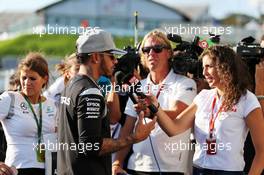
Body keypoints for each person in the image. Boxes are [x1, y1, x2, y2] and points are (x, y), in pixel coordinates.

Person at [147, 45, 264, 175]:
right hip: (199, 170)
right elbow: (173, 129)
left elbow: (262, 152)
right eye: (203, 67)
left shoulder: (247, 99)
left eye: (209, 66)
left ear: (224, 67)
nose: (204, 73)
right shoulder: (203, 96)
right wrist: (155, 107)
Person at [57, 28, 156, 175]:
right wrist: (134, 138)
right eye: (111, 56)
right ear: (96, 57)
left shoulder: (72, 84)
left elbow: (105, 121)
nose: (115, 61)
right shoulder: (90, 91)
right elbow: (91, 146)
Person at [112, 29, 197, 175]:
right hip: (137, 166)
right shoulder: (138, 85)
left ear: (169, 53)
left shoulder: (185, 83)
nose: (151, 53)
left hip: (172, 169)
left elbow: (178, 114)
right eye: (146, 50)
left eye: (157, 49)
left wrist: (150, 111)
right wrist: (117, 162)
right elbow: (127, 128)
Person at [0, 52, 57, 175]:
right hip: (17, 169)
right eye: (24, 78)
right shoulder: (10, 98)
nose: (27, 83)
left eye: (32, 78)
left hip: (48, 169)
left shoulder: (52, 105)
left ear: (45, 79)